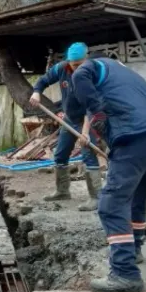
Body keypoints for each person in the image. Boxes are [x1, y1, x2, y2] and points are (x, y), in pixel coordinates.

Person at [70, 56, 146, 292]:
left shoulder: (91, 66)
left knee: (111, 204)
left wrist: (97, 113)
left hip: (134, 135)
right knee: (137, 199)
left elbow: (79, 77)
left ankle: (125, 273)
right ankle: (134, 249)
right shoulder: (127, 76)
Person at [29, 42, 103, 211]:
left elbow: (92, 108)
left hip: (87, 119)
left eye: (79, 65)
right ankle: (62, 191)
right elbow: (44, 80)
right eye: (73, 65)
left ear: (86, 59)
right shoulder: (61, 68)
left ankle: (96, 197)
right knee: (61, 154)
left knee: (88, 154)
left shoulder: (92, 74)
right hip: (69, 119)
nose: (76, 69)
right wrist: (36, 91)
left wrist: (84, 133)